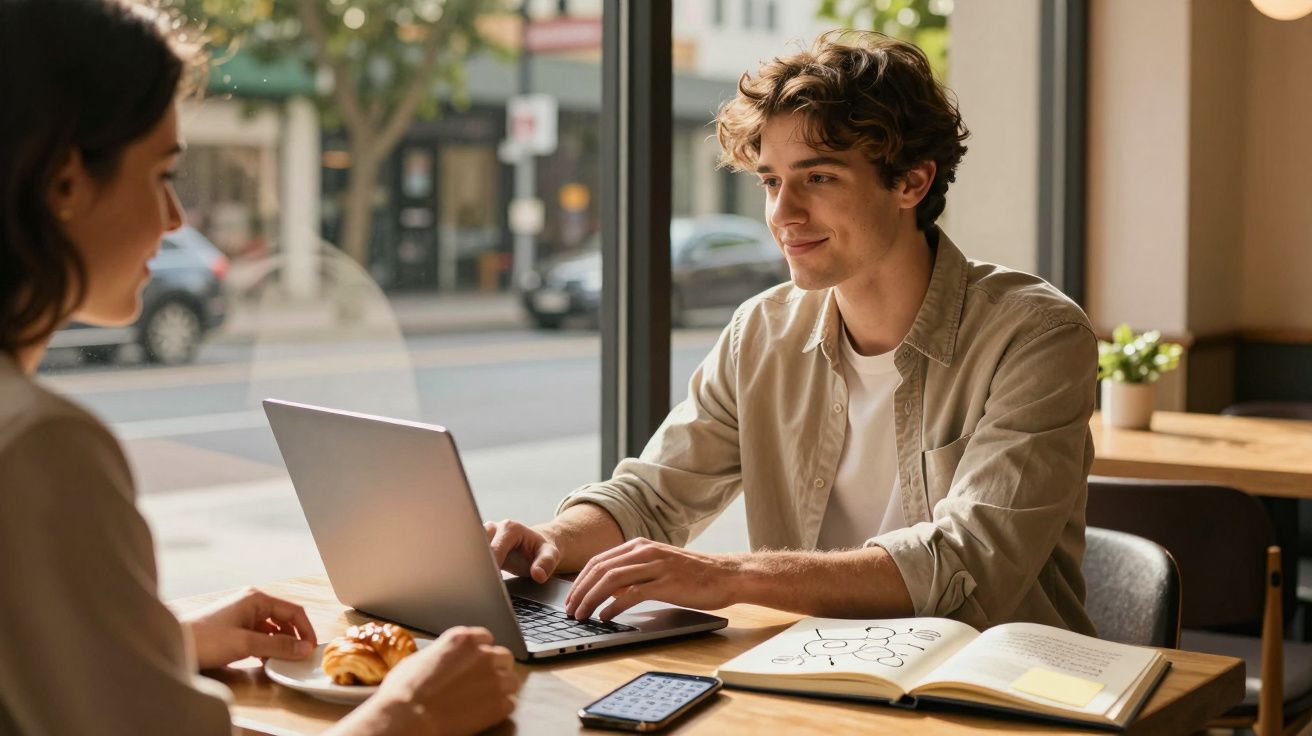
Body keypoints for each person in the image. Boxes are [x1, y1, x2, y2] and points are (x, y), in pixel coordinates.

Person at [0, 1, 518, 733]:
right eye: (162, 174)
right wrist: (412, 712)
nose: (176, 218)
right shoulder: (39, 448)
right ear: (63, 183)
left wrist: (156, 642)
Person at [486, 31, 1098, 635]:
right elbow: (651, 498)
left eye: (819, 178)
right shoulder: (761, 331)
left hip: (994, 694)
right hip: (807, 676)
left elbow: (970, 562)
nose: (783, 215)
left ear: (911, 182)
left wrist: (730, 575)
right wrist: (548, 540)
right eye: (772, 181)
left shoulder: (1036, 334)